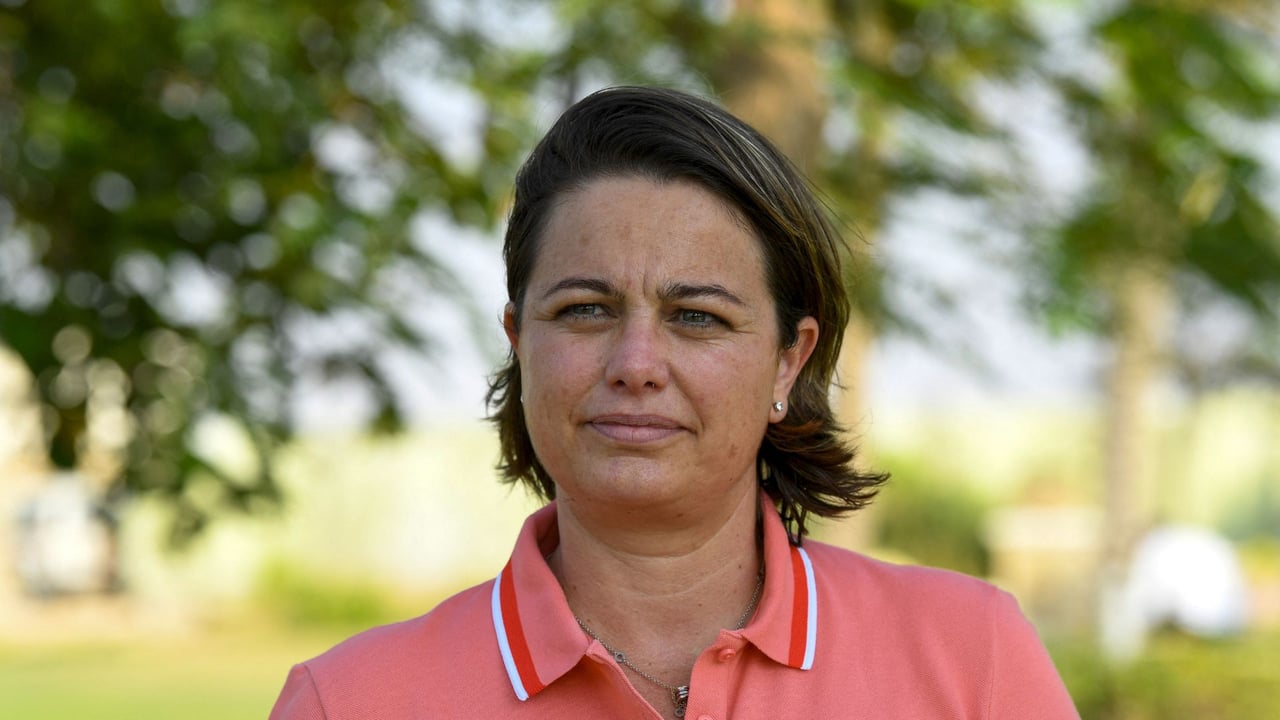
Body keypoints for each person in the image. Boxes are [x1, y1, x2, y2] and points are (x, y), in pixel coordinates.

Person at [269, 86, 1080, 719]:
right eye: (585, 309)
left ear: (786, 363)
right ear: (520, 343)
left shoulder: (973, 657)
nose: (636, 364)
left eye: (698, 317)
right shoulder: (347, 703)